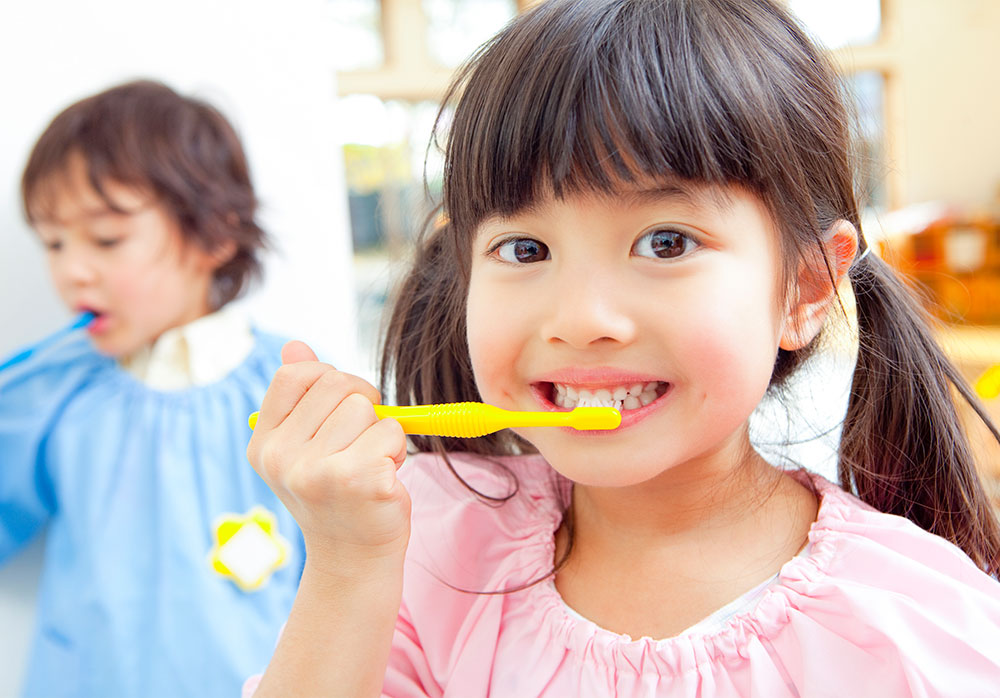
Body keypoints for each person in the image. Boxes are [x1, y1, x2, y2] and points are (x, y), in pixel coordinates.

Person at [245, 1, 1000, 695]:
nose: (581, 319)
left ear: (803, 289)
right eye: (525, 249)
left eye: (665, 242)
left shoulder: (916, 630)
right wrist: (346, 563)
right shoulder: (427, 549)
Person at [0, 80, 304, 697]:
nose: (70, 270)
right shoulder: (53, 395)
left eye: (106, 239)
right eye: (53, 243)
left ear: (216, 235)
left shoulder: (294, 388)